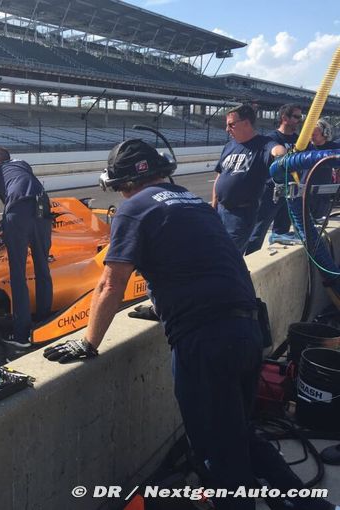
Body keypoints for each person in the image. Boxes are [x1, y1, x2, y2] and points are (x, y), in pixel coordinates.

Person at [44, 139, 337, 510]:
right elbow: (197, 262)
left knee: (217, 453)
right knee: (240, 433)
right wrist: (163, 306)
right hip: (247, 328)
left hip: (205, 340)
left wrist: (87, 342)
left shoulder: (134, 208)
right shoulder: (194, 202)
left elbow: (110, 283)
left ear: (125, 184)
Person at [0, 147, 52, 349]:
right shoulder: (23, 164)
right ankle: (44, 324)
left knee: (18, 274)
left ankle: (21, 335)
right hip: (43, 210)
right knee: (42, 269)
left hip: (18, 213)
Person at [211, 104, 286, 254]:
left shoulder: (263, 144)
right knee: (215, 249)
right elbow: (220, 175)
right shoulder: (229, 146)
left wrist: (281, 154)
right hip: (221, 210)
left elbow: (277, 150)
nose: (227, 130)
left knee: (229, 254)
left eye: (231, 125)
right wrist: (214, 205)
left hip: (241, 214)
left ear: (246, 123)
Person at [246, 104, 306, 253]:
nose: (299, 120)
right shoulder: (271, 139)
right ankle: (248, 259)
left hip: (290, 190)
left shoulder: (298, 140)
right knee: (258, 230)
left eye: (301, 117)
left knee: (282, 230)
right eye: (296, 117)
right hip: (271, 192)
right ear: (284, 118)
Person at [308, 118, 340, 220]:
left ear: (325, 133)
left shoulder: (333, 147)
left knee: (320, 217)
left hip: (324, 188)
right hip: (307, 188)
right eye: (310, 134)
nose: (311, 137)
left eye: (314, 135)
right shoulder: (306, 147)